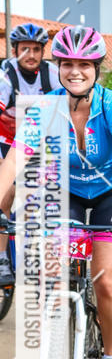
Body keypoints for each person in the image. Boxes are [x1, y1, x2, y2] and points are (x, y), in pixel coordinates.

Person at [0, 25, 112, 359]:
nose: (75, 71)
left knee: (105, 279)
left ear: (97, 68)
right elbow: (13, 161)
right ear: (57, 67)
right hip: (63, 191)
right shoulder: (44, 106)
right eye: (67, 63)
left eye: (84, 64)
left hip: (110, 193)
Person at [0, 23, 60, 285]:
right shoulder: (6, 77)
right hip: (6, 142)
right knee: (8, 191)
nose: (31, 55)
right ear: (15, 51)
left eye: (36, 49)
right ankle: (1, 255)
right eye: (25, 49)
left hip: (40, 143)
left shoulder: (54, 75)